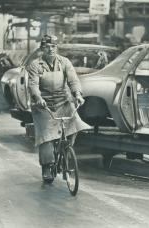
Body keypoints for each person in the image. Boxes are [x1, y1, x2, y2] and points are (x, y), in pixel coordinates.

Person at [27, 34, 89, 182]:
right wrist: (39, 98)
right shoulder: (35, 65)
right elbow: (33, 85)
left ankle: (66, 152)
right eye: (47, 47)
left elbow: (73, 81)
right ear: (42, 48)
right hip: (43, 105)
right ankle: (47, 166)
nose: (50, 49)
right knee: (46, 137)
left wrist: (78, 95)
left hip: (63, 101)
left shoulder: (65, 62)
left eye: (53, 46)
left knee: (74, 125)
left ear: (57, 48)